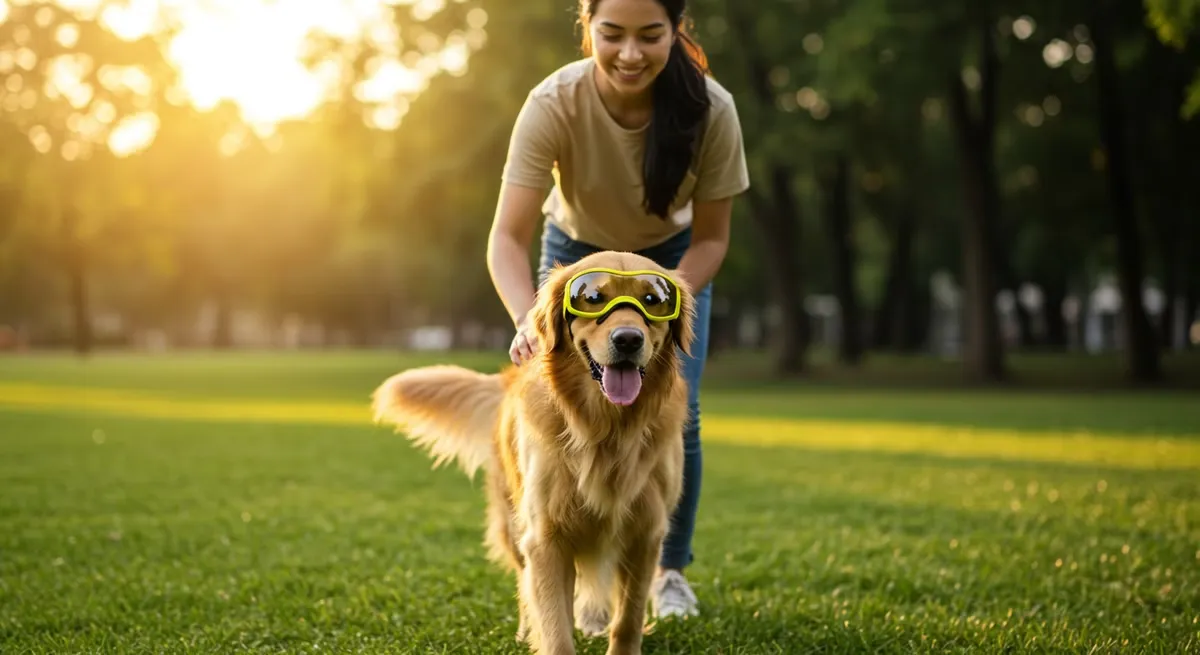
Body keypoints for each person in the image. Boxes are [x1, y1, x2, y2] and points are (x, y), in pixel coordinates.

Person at [484, 0, 749, 620]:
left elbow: (712, 237)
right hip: (577, 257)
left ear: (675, 32)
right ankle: (562, 540)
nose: (631, 53)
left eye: (650, 35)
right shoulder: (553, 102)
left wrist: (667, 298)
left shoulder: (713, 109)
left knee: (685, 408)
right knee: (549, 394)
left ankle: (669, 572)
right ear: (587, 31)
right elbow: (505, 237)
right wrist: (529, 315)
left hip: (671, 263)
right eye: (612, 34)